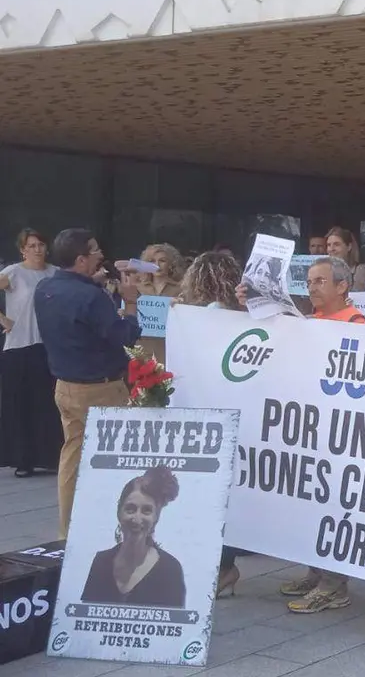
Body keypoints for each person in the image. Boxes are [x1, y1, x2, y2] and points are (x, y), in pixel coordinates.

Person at [236, 256, 365, 612]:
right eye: (309, 282)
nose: (312, 288)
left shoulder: (355, 322)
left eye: (320, 282)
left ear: (343, 287)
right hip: (308, 427)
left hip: (336, 431)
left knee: (332, 503)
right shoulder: (314, 319)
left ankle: (334, 584)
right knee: (310, 501)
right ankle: (316, 570)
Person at [34, 229, 142, 540]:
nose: (100, 255)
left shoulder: (46, 288)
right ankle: (117, 529)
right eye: (94, 250)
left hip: (65, 385)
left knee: (72, 457)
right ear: (81, 259)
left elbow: (76, 313)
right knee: (119, 458)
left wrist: (93, 287)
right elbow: (125, 337)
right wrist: (131, 304)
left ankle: (67, 531)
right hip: (101, 388)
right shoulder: (91, 298)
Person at [176, 251, 251, 598]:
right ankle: (224, 565)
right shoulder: (241, 314)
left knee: (210, 495)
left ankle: (221, 567)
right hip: (237, 414)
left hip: (209, 415)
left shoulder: (205, 317)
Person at [0, 229, 61, 478]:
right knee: (20, 403)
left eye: (40, 244)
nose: (37, 249)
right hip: (19, 345)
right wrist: (4, 320)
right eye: (31, 245)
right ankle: (22, 459)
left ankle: (49, 457)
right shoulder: (13, 272)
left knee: (48, 402)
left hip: (49, 345)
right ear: (23, 249)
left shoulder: (55, 273)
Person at [81, 466, 186, 608]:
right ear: (119, 512)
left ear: (156, 517)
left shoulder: (170, 569)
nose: (137, 519)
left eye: (146, 511)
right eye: (130, 509)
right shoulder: (101, 561)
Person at [135, 243, 184, 366]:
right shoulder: (136, 288)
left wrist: (180, 307)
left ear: (171, 264)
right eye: (152, 261)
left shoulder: (181, 289)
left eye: (162, 261)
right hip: (143, 345)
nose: (157, 265)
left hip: (170, 346)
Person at [325, 227, 365, 292]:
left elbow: (356, 298)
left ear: (349, 247)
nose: (331, 249)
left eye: (336, 244)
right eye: (329, 245)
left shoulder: (360, 270)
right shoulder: (326, 271)